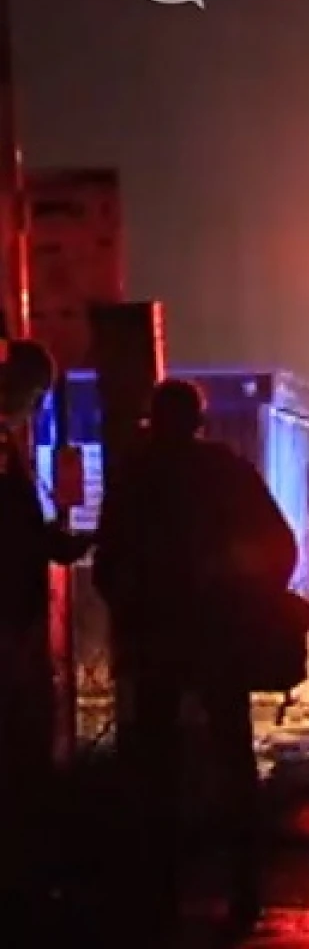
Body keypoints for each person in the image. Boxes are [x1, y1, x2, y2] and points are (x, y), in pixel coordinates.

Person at [93, 378, 298, 933]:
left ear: (154, 420)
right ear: (198, 421)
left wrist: (133, 614)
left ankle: (158, 892)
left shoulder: (136, 478)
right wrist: (251, 599)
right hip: (220, 637)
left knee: (155, 764)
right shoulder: (227, 473)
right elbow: (280, 545)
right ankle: (244, 888)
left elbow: (109, 562)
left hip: (158, 640)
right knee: (233, 756)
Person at [0, 338, 93, 911]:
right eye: (32, 394)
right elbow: (13, 530)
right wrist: (57, 543)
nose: (32, 406)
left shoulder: (11, 442)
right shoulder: (3, 443)